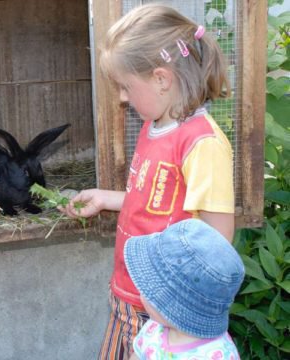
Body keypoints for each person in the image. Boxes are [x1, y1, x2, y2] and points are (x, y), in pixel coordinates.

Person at [59, 4, 235, 359]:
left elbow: (217, 243)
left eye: (125, 86)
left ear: (161, 79)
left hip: (164, 312)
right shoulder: (153, 127)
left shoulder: (201, 144)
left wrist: (177, 311)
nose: (122, 98)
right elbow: (156, 198)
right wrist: (107, 199)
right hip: (129, 292)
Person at [124, 219, 244, 359]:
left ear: (171, 305)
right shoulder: (154, 330)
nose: (141, 291)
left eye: (149, 287)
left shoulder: (217, 355)